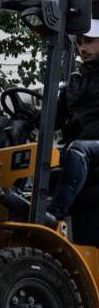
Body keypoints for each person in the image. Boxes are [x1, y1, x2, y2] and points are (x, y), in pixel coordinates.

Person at [47, 19, 99, 222]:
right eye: (79, 43)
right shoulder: (75, 80)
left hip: (90, 147)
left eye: (89, 41)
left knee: (77, 150)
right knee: (35, 156)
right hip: (83, 148)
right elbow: (55, 119)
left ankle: (53, 215)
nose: (82, 48)